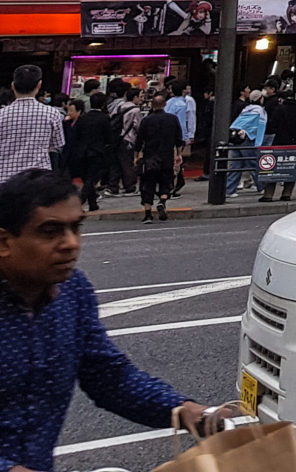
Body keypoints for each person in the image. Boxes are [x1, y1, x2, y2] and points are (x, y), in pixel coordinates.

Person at [0, 169, 223, 471]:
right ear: (4, 242)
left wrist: (183, 410)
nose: (71, 244)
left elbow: (108, 376)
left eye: (75, 228)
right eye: (50, 231)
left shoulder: (73, 292)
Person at [0, 66, 67, 182]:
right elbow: (57, 144)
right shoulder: (52, 113)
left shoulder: (1, 114)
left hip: (5, 178)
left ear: (13, 86)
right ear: (39, 85)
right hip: (38, 179)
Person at [135, 95, 182, 224]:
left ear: (152, 105)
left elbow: (139, 140)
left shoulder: (146, 120)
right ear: (165, 104)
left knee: (147, 184)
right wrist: (178, 154)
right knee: (166, 181)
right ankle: (162, 201)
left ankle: (148, 214)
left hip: (150, 156)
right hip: (166, 156)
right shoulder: (172, 119)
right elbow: (179, 139)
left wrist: (136, 155)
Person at [260, 90, 296, 204]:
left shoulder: (280, 108)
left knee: (274, 168)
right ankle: (287, 193)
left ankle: (268, 195)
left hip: (280, 141)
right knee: (291, 167)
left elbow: (273, 124)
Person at [69, 95, 117, 213]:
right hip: (97, 152)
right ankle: (81, 200)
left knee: (87, 178)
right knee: (91, 179)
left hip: (82, 152)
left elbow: (75, 135)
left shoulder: (83, 118)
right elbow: (109, 137)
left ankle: (93, 203)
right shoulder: (104, 118)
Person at [227, 90, 267, 198]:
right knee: (253, 164)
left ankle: (229, 189)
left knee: (236, 165)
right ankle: (262, 186)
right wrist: (258, 144)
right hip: (247, 138)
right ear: (260, 99)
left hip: (236, 137)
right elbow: (261, 128)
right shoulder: (260, 111)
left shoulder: (246, 109)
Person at [106, 82, 140, 196]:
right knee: (127, 164)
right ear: (135, 97)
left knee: (116, 163)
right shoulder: (135, 110)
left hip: (117, 139)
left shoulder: (120, 106)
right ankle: (130, 186)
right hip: (128, 139)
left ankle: (113, 186)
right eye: (140, 96)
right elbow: (138, 126)